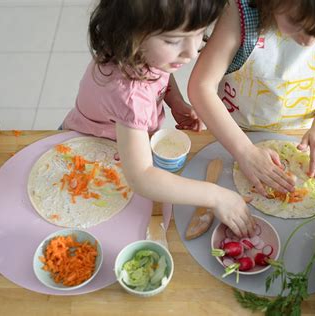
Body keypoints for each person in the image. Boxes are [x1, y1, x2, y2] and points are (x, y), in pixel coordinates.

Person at [62, 0, 255, 237]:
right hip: (91, 149)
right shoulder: (130, 95)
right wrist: (216, 196)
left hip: (124, 140)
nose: (191, 52)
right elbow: (142, 176)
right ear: (130, 34)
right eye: (173, 41)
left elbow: (160, 74)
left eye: (198, 34)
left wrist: (175, 102)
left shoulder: (142, 53)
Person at [188, 0, 315, 197]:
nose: (309, 41)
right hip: (235, 130)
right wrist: (244, 151)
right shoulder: (242, 12)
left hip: (297, 132)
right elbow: (201, 86)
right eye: (295, 22)